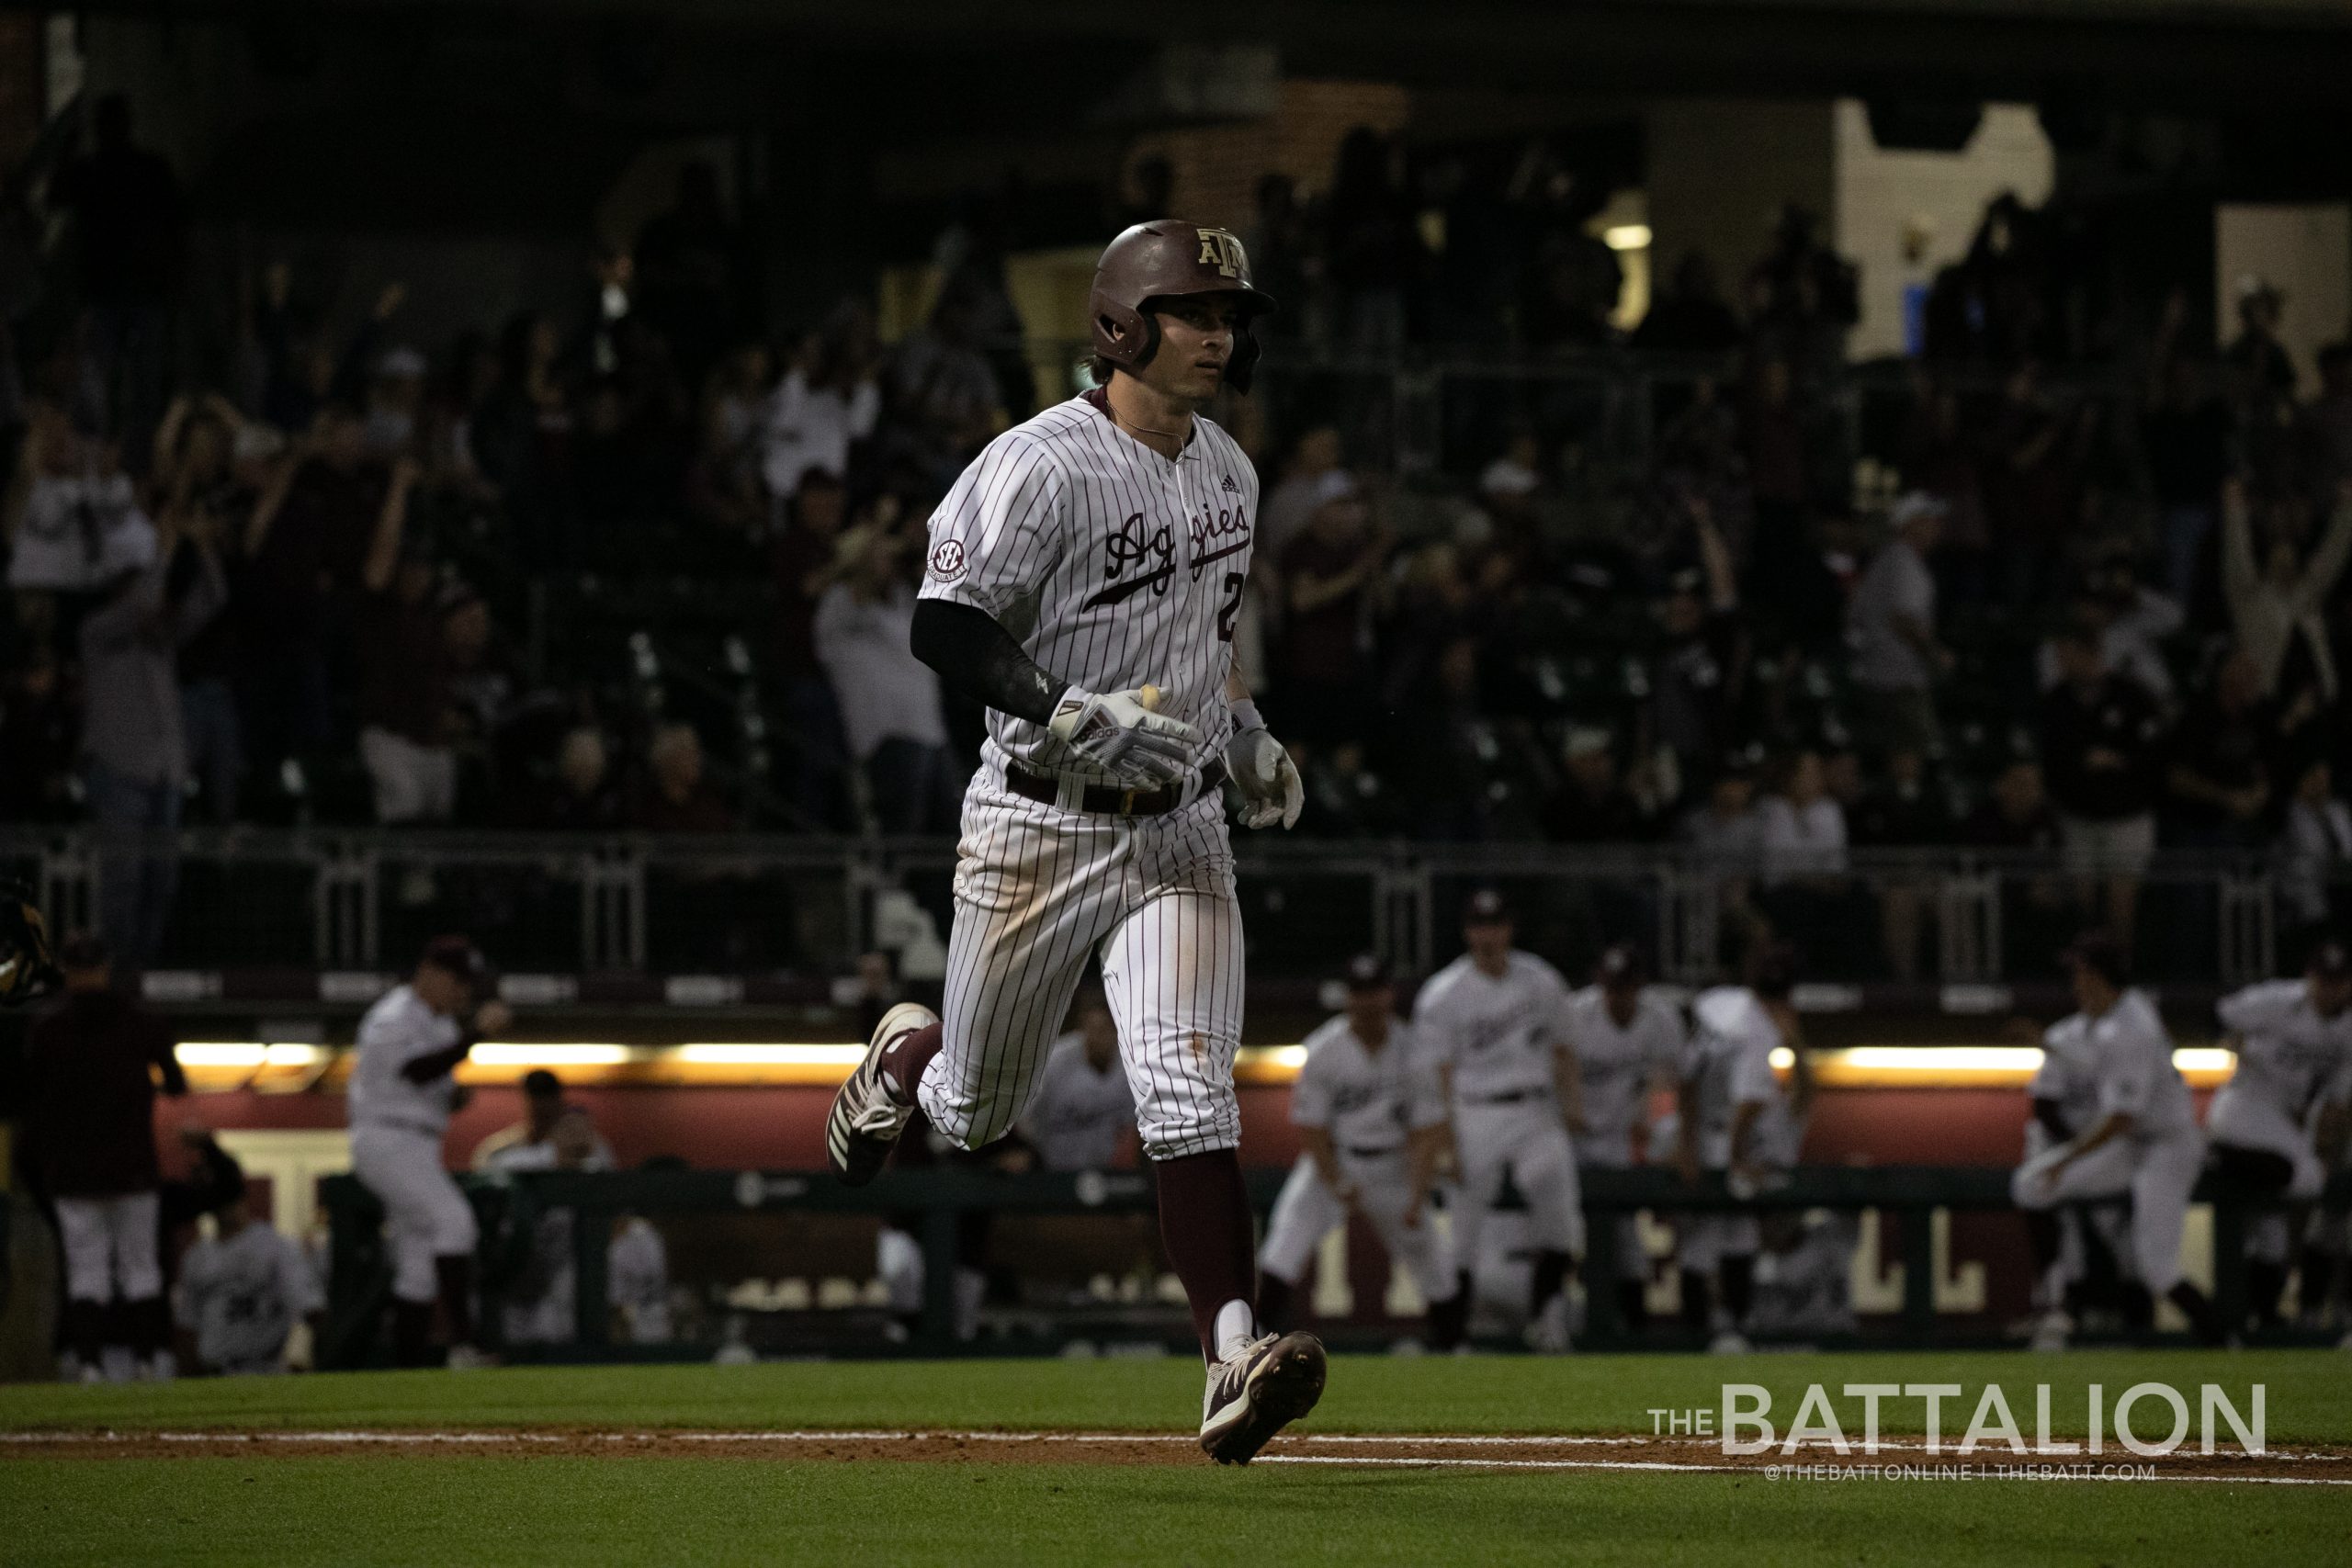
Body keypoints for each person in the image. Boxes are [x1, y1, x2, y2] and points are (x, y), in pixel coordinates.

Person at [823, 219, 1317, 1466]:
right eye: (1195, 312)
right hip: (1039, 822)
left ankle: (1230, 1354)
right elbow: (944, 623)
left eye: (1229, 317)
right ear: (1122, 324)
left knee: (1190, 1086)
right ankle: (905, 1054)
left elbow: (1207, 643)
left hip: (1184, 827)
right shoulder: (1037, 463)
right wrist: (1057, 703)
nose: (1217, 335)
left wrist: (1245, 728)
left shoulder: (1231, 472)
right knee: (978, 1107)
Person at [2010, 931, 2224, 1347]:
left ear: (2096, 976)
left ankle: (2223, 1338)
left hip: (2167, 1146)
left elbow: (2120, 1118)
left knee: (2155, 1267)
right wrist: (2051, 1048)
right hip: (2134, 1145)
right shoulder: (2116, 1019)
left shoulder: (2133, 1027)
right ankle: (2056, 1305)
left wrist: (2065, 1159)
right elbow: (2098, 1067)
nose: (2075, 983)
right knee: (2032, 1185)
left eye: (2081, 973)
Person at [1256, 955, 1464, 1352]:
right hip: (1336, 1159)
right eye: (1359, 993)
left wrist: (1418, 1197)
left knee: (1433, 1259)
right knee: (1284, 1243)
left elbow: (1428, 1131)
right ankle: (1253, 1343)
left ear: (1389, 995)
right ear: (1348, 998)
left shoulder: (1415, 1051)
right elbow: (1312, 1129)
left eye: (1375, 992)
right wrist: (1335, 1180)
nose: (1367, 1002)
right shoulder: (1323, 1049)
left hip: (1395, 1165)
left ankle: (1454, 1346)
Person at [1414, 890, 1585, 1354]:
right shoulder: (1444, 993)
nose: (1487, 935)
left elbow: (1564, 1048)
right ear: (1468, 932)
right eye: (1479, 926)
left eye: (1495, 925)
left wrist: (1572, 1105)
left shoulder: (1541, 981)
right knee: (1463, 1228)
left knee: (1560, 1216)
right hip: (1474, 1110)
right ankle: (1453, 1336)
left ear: (1509, 928)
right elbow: (1438, 1075)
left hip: (1535, 1108)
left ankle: (1549, 1318)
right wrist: (1445, 1137)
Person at [21, 934, 185, 1380]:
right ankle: (147, 1360)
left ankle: (91, 1364)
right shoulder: (137, 1021)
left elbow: (30, 1105)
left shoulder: (49, 1026)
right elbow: (176, 1083)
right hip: (130, 1168)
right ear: (105, 969)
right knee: (138, 1270)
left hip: (75, 1173)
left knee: (88, 1271)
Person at [347, 936, 513, 1368]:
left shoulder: (440, 1025)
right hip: (386, 1138)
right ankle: (463, 1344)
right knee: (455, 1222)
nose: (464, 992)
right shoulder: (393, 1015)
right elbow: (417, 1069)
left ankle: (408, 1369)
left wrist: (453, 1096)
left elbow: (432, 1079)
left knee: (418, 1263)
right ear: (428, 973)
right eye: (457, 981)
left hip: (417, 1142)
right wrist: (476, 1034)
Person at [2204, 939, 2352, 1330]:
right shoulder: (2277, 1000)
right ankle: (2215, 1159)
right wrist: (2230, 1040)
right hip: (2245, 1103)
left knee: (2272, 1240)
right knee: (2306, 1177)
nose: (2329, 989)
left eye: (2338, 981)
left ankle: (2261, 1319)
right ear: (2309, 977)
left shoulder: (2348, 1030)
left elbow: (2337, 1104)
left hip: (2285, 1122)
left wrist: (2322, 1141)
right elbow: (2220, 1014)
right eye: (2323, 979)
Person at [1677, 947, 1807, 1354]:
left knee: (1706, 1240)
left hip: (1697, 1128)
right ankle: (1723, 1329)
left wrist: (1685, 1139)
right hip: (1722, 1138)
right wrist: (1735, 1160)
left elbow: (1687, 1077)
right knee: (1732, 1235)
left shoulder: (1721, 1003)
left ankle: (1710, 1332)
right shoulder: (1761, 1033)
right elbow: (1747, 1108)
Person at [1563, 945, 1688, 1334]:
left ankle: (1634, 1330)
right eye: (1612, 987)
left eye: (1626, 987)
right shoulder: (1576, 1014)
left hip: (1619, 1140)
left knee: (1628, 1244)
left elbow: (1677, 1083)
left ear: (1639, 986)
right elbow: (1550, 1067)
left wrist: (1656, 1130)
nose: (1618, 995)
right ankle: (1558, 1322)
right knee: (1559, 1234)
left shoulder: (1660, 1019)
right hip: (1572, 1141)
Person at [2039, 627, 2167, 953]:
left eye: (2068, 654)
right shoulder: (2058, 701)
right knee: (2081, 905)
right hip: (2078, 818)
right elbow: (2051, 761)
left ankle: (2119, 980)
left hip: (2127, 818)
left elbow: (2155, 755)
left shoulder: (2131, 695)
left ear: (2089, 655)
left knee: (2120, 906)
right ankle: (2085, 979)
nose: (2061, 662)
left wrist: (2117, 761)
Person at [175, 1152, 323, 1375]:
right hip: (214, 1372)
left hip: (266, 1368)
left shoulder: (274, 1246)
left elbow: (311, 1309)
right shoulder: (197, 1256)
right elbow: (187, 1324)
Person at [1845, 493, 1950, 757]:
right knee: (1915, 754)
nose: (1936, 527)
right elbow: (1903, 620)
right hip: (1898, 681)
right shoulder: (1902, 561)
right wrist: (1935, 655)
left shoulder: (1892, 558)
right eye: (1928, 520)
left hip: (1883, 675)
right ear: (1909, 524)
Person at [1017, 987, 1136, 1173]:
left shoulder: (1129, 1063)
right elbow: (1023, 1118)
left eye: (1106, 1029)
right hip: (1052, 1172)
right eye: (1094, 1029)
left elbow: (1133, 1125)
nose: (1100, 1037)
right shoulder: (1054, 1063)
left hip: (1108, 1172)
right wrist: (1027, 1153)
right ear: (1083, 1027)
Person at [471, 1068, 613, 1170]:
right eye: (536, 1098)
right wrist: (552, 1155)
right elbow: (489, 1170)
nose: (542, 1105)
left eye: (548, 1097)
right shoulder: (497, 1148)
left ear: (560, 1102)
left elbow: (606, 1179)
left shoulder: (589, 1145)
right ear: (526, 1102)